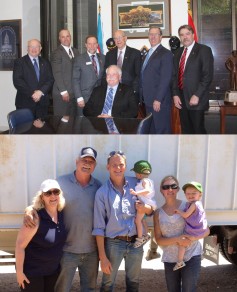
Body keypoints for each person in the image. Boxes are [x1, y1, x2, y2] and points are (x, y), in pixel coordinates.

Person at [24, 147, 102, 292]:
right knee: (61, 289)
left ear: (95, 166)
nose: (87, 163)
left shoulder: (98, 186)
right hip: (66, 250)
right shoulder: (60, 183)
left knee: (90, 289)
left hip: (91, 251)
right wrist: (30, 210)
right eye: (84, 160)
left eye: (91, 161)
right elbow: (45, 200)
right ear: (76, 161)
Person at [92, 151, 153, 291]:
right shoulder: (102, 193)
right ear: (108, 167)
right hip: (114, 244)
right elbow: (98, 227)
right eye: (114, 165)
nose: (118, 168)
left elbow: (151, 210)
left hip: (136, 243)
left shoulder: (137, 184)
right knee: (107, 283)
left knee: (133, 282)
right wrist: (103, 256)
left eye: (121, 165)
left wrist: (146, 207)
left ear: (125, 166)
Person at [153, 175, 210, 292]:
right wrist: (178, 239)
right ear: (161, 190)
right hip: (170, 258)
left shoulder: (188, 205)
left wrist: (193, 238)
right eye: (166, 187)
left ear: (178, 189)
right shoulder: (158, 213)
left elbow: (206, 230)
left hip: (191, 255)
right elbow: (158, 240)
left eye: (173, 186)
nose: (170, 190)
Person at [15, 179, 67, 292]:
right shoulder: (35, 218)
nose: (52, 196)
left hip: (52, 271)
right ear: (42, 197)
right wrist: (19, 272)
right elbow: (20, 246)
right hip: (33, 273)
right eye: (48, 193)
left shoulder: (62, 213)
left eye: (56, 192)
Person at [172, 24, 214, 134]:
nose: (185, 37)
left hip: (196, 98)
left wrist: (197, 95)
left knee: (198, 130)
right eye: (182, 35)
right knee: (186, 130)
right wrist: (175, 94)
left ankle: (203, 151)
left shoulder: (204, 50)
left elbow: (207, 76)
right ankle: (189, 151)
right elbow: (174, 76)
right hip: (181, 99)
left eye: (187, 34)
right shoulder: (177, 53)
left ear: (193, 35)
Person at [140, 26, 173, 134]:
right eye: (151, 34)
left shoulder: (166, 53)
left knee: (161, 130)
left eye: (156, 34)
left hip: (159, 101)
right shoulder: (148, 53)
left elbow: (165, 78)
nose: (153, 36)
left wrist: (158, 99)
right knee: (152, 130)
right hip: (148, 100)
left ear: (161, 37)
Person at [13, 39, 54, 120]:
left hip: (42, 103)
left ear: (40, 48)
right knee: (25, 130)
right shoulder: (19, 62)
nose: (34, 49)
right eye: (31, 47)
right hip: (25, 103)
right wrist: (33, 94)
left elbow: (50, 79)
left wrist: (40, 92)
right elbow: (17, 81)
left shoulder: (45, 62)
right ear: (27, 48)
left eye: (36, 47)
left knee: (41, 131)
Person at [173, 181, 208, 271]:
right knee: (190, 243)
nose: (191, 195)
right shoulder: (198, 203)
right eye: (188, 193)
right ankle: (199, 254)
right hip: (198, 228)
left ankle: (179, 262)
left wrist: (178, 211)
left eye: (194, 193)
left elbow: (185, 215)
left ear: (200, 195)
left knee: (182, 243)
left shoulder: (194, 204)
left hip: (194, 229)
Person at [103, 30, 141, 103]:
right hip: (112, 92)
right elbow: (105, 74)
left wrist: (133, 90)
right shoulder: (109, 54)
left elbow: (138, 74)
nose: (118, 40)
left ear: (125, 38)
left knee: (129, 114)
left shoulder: (135, 53)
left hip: (130, 92)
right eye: (115, 38)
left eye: (120, 37)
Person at [72, 35, 105, 116]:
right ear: (85, 45)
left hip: (99, 97)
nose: (92, 46)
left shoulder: (103, 58)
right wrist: (79, 97)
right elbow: (75, 79)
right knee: (83, 122)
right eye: (89, 44)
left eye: (94, 44)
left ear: (97, 45)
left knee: (97, 122)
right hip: (84, 98)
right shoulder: (79, 59)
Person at [51, 29, 79, 120]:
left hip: (73, 94)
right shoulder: (56, 53)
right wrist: (63, 91)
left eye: (67, 36)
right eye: (63, 37)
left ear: (70, 37)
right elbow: (57, 73)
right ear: (59, 39)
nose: (66, 39)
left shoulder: (76, 51)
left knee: (72, 121)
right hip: (62, 94)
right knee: (61, 123)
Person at [130, 160, 157, 248]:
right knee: (142, 220)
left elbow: (147, 190)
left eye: (136, 173)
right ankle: (146, 234)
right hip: (145, 203)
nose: (135, 175)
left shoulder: (145, 181)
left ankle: (140, 237)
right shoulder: (148, 180)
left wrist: (136, 193)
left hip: (144, 203)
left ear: (140, 174)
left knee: (137, 221)